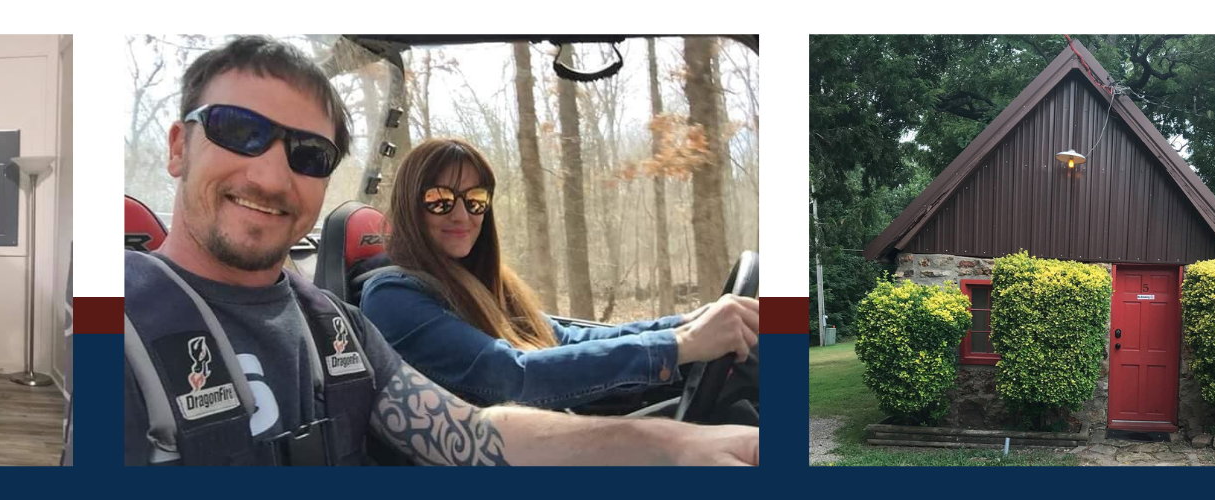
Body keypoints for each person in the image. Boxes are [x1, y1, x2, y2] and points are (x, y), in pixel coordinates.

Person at [122, 36, 758, 466]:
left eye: (308, 154)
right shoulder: (118, 323)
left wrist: (672, 434)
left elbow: (478, 430)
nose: (269, 176)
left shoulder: (337, 331)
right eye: (240, 131)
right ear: (179, 146)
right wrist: (675, 351)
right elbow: (509, 376)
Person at [358, 138, 760, 410]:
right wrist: (677, 346)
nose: (462, 214)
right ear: (411, 206)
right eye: (440, 200)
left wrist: (687, 323)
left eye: (475, 199)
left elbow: (565, 338)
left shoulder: (476, 282)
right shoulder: (392, 297)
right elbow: (513, 377)